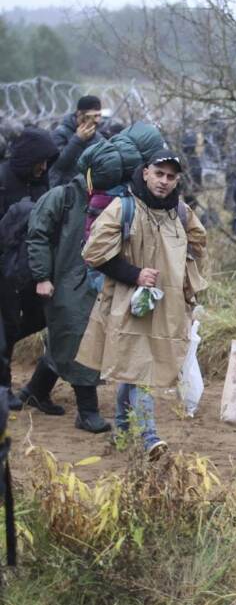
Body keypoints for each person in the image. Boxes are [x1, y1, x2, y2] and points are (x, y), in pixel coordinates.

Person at [77, 153, 207, 460]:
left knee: (135, 366)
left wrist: (186, 285)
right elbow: (93, 252)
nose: (164, 181)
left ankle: (122, 432)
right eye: (159, 173)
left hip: (168, 306)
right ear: (145, 172)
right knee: (141, 366)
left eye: (170, 177)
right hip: (129, 303)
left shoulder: (182, 213)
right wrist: (134, 274)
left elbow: (198, 247)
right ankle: (149, 436)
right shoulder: (123, 208)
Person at [22, 151, 117, 432]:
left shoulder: (108, 199)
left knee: (64, 338)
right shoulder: (62, 197)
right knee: (78, 337)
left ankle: (35, 391)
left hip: (88, 281)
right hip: (62, 281)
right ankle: (88, 412)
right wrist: (41, 276)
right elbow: (37, 235)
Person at [0, 127, 56, 410]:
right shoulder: (3, 178)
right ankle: (4, 388)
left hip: (31, 267)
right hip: (4, 267)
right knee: (6, 324)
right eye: (40, 161)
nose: (44, 168)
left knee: (40, 316)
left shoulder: (41, 181)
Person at [50, 96, 105, 187]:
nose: (97, 121)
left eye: (99, 116)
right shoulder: (60, 133)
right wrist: (78, 140)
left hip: (88, 189)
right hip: (64, 189)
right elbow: (57, 165)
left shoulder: (98, 137)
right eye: (92, 116)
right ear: (79, 114)